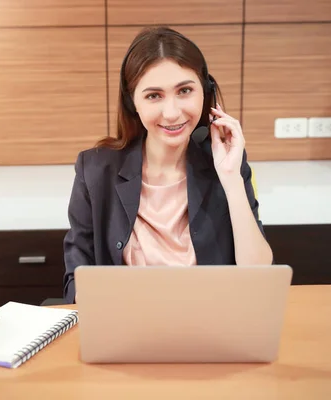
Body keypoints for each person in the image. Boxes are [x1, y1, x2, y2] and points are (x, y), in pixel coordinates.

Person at [62, 26, 273, 304]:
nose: (172, 113)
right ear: (132, 101)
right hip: (127, 329)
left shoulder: (226, 164)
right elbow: (76, 276)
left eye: (184, 90)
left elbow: (258, 276)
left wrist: (231, 178)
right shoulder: (96, 169)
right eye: (154, 96)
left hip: (211, 326)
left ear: (205, 93)